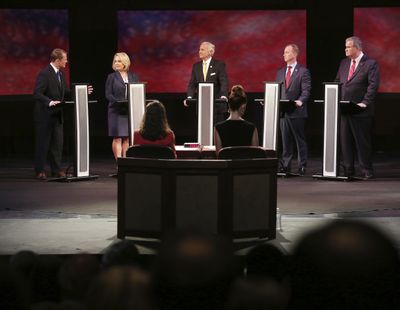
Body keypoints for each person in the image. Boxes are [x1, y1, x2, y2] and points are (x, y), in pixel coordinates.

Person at [335, 36, 380, 180]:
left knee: (362, 141)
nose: (345, 49)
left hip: (361, 109)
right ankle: (348, 169)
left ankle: (366, 170)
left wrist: (365, 102)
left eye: (348, 47)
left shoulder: (370, 64)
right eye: (345, 46)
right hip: (344, 109)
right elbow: (337, 82)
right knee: (345, 141)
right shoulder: (343, 63)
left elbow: (373, 86)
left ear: (357, 48)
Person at [33, 48, 70, 180]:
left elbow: (65, 92)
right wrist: (49, 102)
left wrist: (81, 90)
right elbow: (37, 93)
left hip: (57, 116)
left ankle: (56, 170)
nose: (67, 61)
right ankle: (40, 170)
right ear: (58, 60)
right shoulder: (44, 73)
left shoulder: (61, 74)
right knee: (43, 144)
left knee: (57, 145)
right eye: (65, 59)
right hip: (45, 116)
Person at [276, 44, 311, 176]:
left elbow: (306, 90)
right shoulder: (280, 72)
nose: (284, 54)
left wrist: (300, 101)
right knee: (286, 141)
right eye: (284, 52)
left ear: (294, 54)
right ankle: (286, 165)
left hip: (297, 111)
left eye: (287, 52)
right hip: (283, 112)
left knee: (299, 140)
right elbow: (278, 91)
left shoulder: (303, 71)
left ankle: (302, 166)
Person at [105, 52, 139, 162]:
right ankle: (119, 163)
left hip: (128, 110)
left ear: (125, 62)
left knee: (127, 138)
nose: (116, 63)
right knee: (117, 137)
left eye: (119, 61)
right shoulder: (111, 77)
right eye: (115, 61)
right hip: (116, 110)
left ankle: (126, 163)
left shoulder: (133, 76)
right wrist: (118, 101)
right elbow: (108, 94)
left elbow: (137, 91)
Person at [184, 41, 229, 123]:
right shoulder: (196, 66)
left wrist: (223, 96)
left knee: (216, 132)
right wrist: (189, 97)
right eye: (199, 49)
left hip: (216, 106)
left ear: (211, 52)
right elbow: (192, 84)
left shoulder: (219, 65)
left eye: (202, 49)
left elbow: (224, 82)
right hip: (202, 106)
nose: (199, 51)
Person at [214, 85, 259, 153]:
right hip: (246, 163)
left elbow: (219, 155)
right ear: (243, 106)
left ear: (229, 105)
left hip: (227, 163)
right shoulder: (252, 128)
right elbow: (256, 154)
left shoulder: (218, 128)